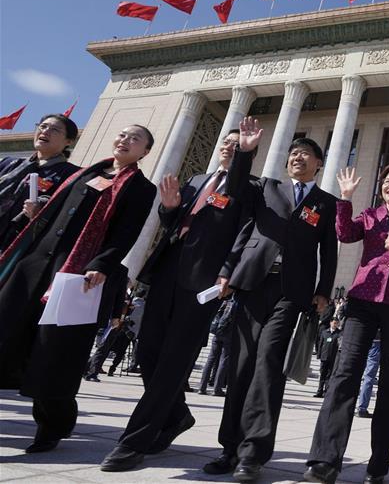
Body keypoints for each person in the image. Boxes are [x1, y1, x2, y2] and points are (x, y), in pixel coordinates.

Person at [100, 119, 261, 472]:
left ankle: (133, 443)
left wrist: (228, 272)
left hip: (203, 284)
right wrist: (169, 208)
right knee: (147, 352)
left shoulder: (248, 188)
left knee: (174, 362)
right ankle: (177, 416)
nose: (229, 147)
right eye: (227, 143)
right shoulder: (197, 182)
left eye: (238, 145)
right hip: (167, 273)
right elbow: (173, 225)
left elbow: (245, 230)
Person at [0, 124, 157, 453]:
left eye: (135, 138)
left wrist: (102, 264)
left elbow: (126, 232)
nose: (124, 139)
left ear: (145, 152)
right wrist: (33, 213)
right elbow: (55, 211)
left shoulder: (140, 187)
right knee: (5, 329)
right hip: (35, 263)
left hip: (75, 274)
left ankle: (52, 423)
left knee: (54, 351)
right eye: (123, 134)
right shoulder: (86, 172)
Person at [205, 137, 337, 482]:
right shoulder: (267, 188)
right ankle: (228, 448)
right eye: (293, 153)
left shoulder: (325, 202)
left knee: (268, 367)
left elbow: (329, 249)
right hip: (251, 284)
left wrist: (323, 290)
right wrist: (226, 270)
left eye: (306, 154)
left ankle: (253, 454)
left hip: (290, 292)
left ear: (318, 163)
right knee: (240, 365)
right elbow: (244, 224)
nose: (297, 157)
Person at [304, 163, 389, 484]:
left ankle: (378, 465)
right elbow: (344, 234)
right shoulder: (370, 216)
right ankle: (324, 460)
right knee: (345, 375)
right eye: (387, 181)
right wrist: (345, 199)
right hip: (362, 302)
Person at [0, 114, 80, 250]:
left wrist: (40, 210)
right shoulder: (8, 163)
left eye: (55, 130)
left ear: (69, 141)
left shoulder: (72, 175)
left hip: (18, 247)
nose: (45, 131)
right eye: (43, 126)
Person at [199, 296, 235, 396]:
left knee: (211, 359)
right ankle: (217, 388)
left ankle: (202, 387)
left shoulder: (225, 300)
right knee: (224, 360)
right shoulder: (237, 302)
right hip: (229, 333)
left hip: (218, 331)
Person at [355, 333, 381, 418]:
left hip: (366, 339)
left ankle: (361, 407)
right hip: (377, 341)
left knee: (367, 377)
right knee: (369, 377)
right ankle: (362, 408)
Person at [315, 318, 342, 397]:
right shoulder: (325, 332)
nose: (335, 325)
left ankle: (326, 392)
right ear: (330, 323)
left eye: (336, 323)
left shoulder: (339, 333)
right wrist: (319, 354)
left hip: (333, 358)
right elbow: (320, 344)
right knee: (322, 375)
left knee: (329, 375)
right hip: (324, 357)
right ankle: (319, 391)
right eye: (334, 323)